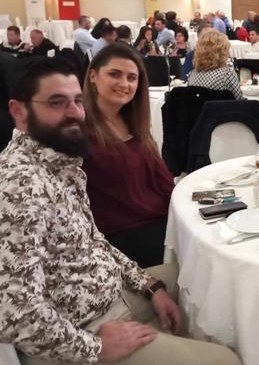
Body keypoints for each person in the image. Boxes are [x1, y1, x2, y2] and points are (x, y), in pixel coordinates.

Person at [0, 58, 241, 365]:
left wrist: (150, 287)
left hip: (109, 291)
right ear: (19, 111)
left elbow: (94, 241)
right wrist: (95, 349)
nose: (74, 112)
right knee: (224, 360)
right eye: (57, 103)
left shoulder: (59, 163)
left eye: (77, 101)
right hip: (86, 326)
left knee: (208, 276)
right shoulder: (19, 184)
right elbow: (14, 312)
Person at [82, 44, 174, 267]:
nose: (124, 84)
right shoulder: (79, 129)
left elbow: (163, 183)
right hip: (120, 238)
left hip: (161, 222)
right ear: (93, 76)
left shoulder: (133, 123)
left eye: (132, 78)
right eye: (114, 74)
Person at [187, 29, 243, 100]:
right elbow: (239, 100)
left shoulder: (191, 75)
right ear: (222, 51)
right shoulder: (227, 74)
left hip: (197, 107)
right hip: (221, 107)